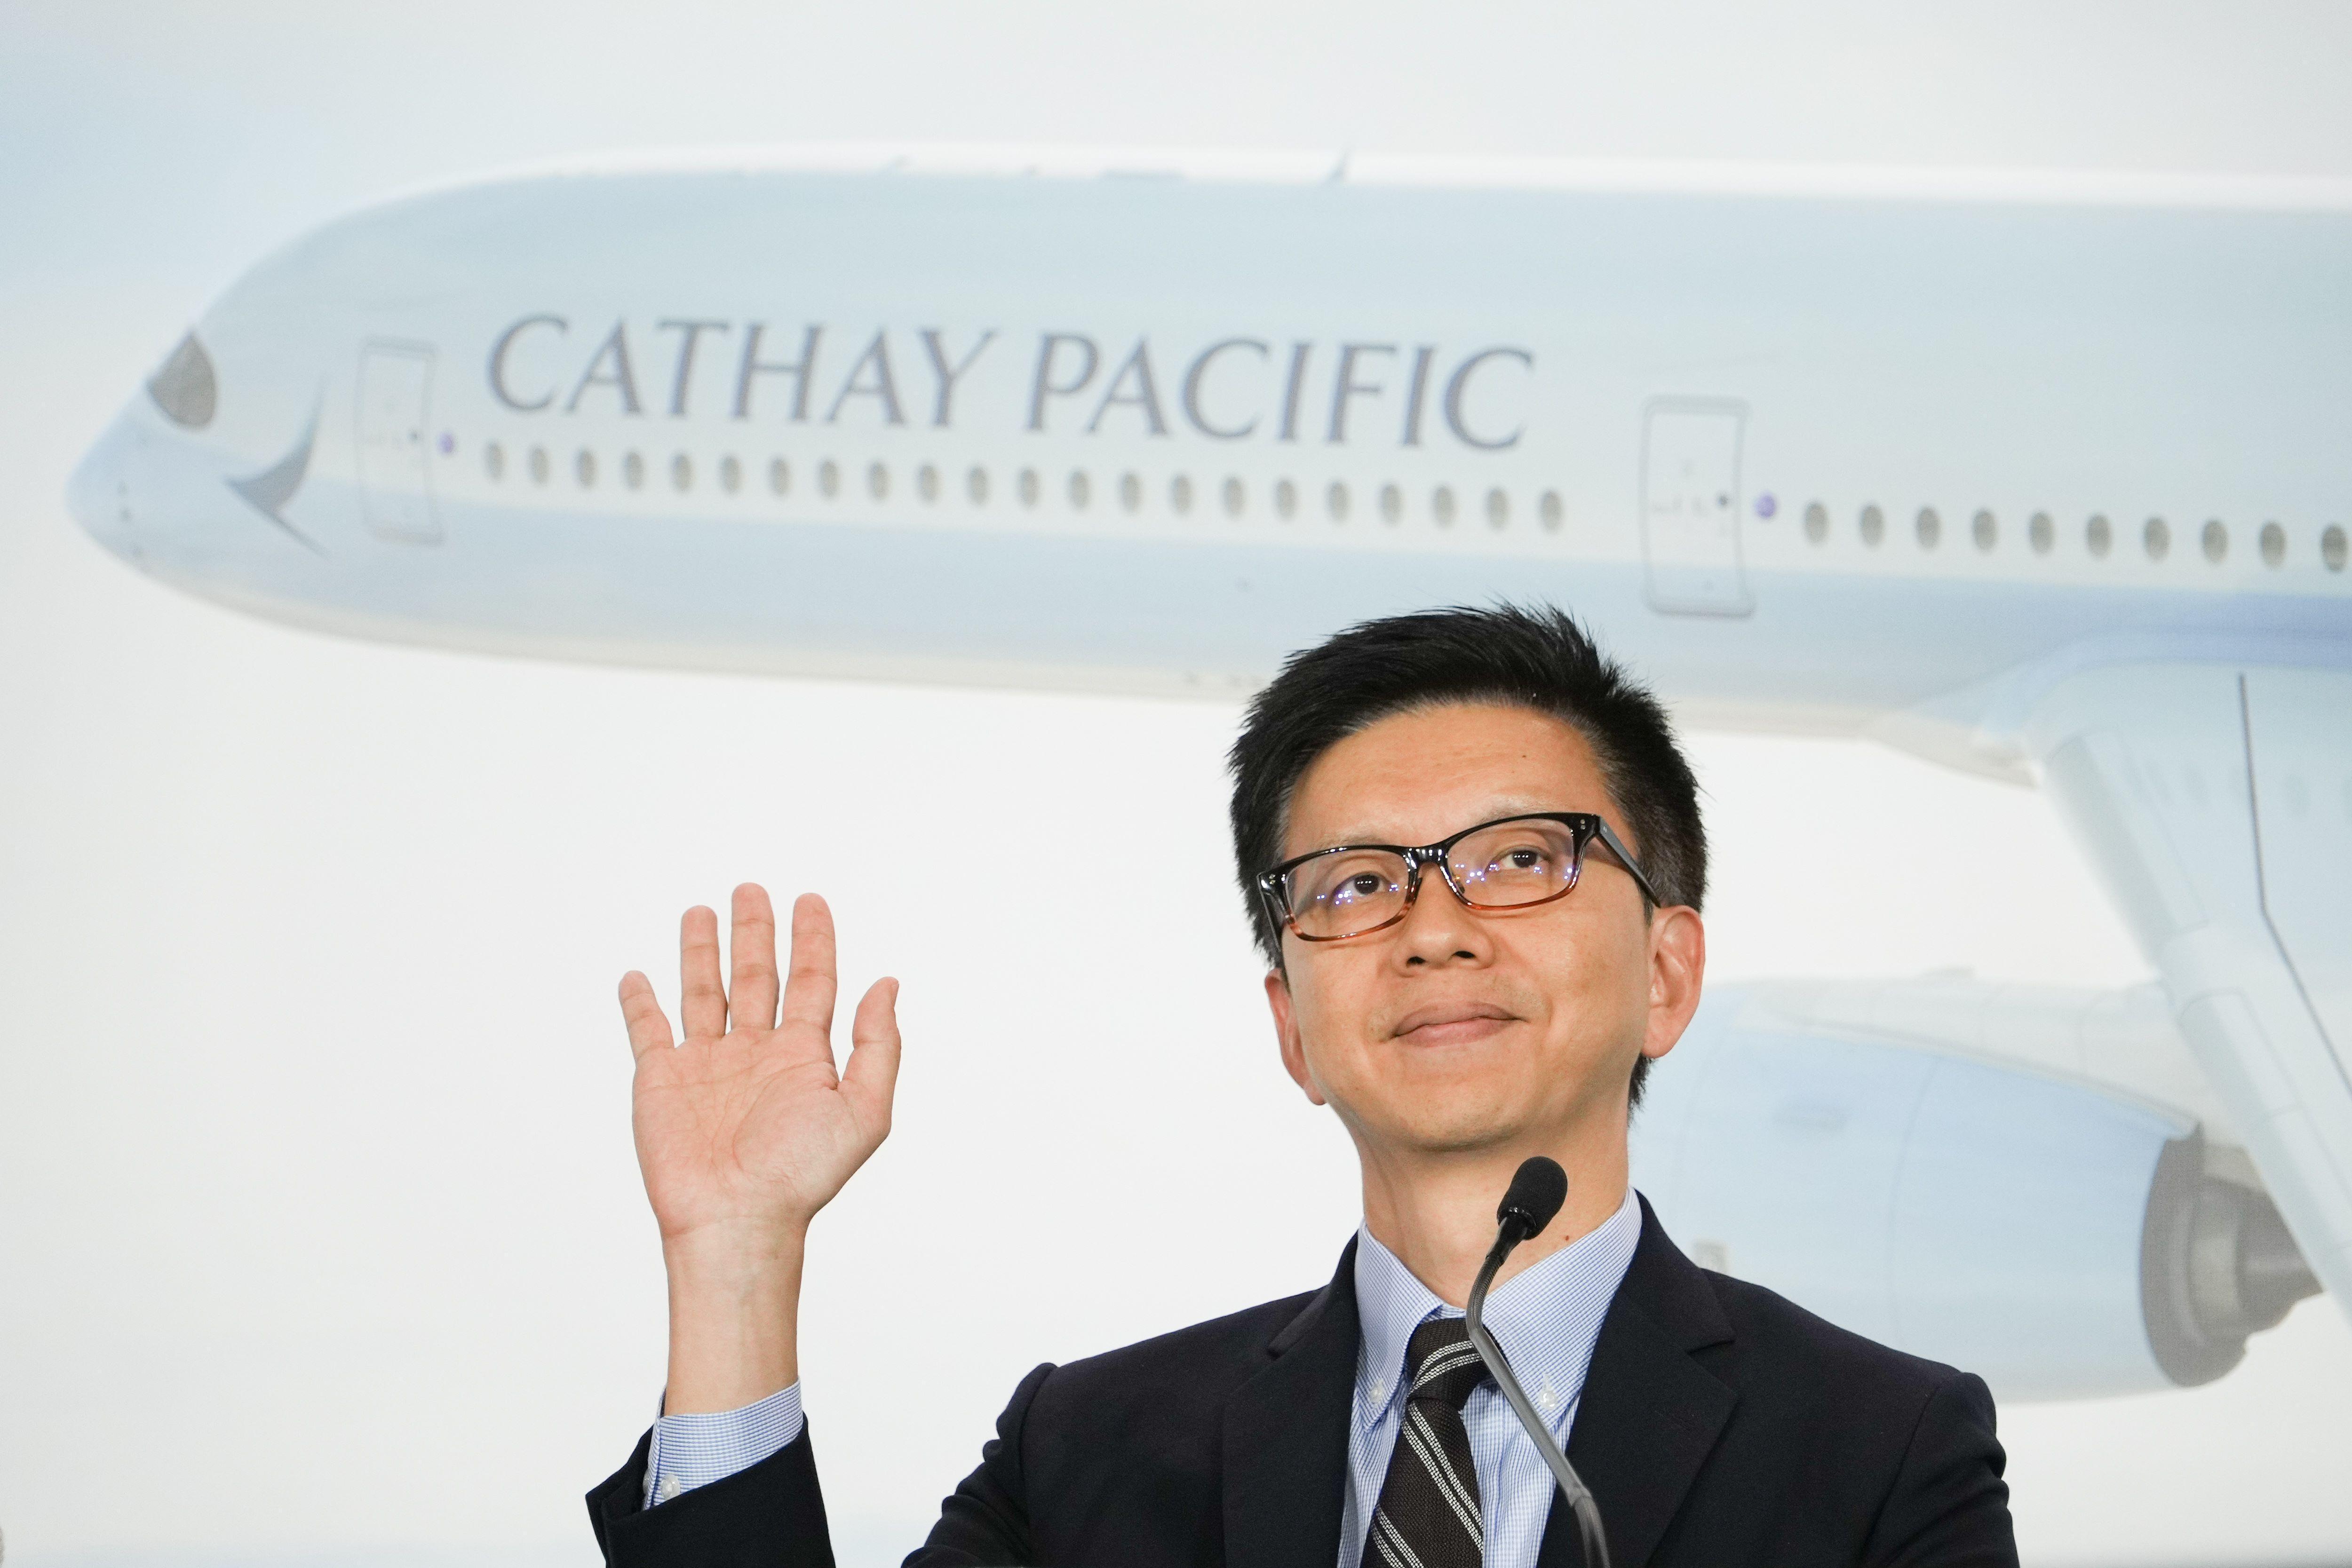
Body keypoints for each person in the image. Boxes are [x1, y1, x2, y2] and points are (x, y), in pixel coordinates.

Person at [586, 604, 2018, 1568]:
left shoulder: (1881, 1453)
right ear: (1293, 1026)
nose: (1435, 928)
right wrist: (733, 1262)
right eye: (1356, 884)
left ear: (1667, 972)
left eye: (1521, 860)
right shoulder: (1086, 1454)